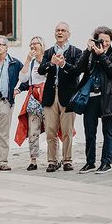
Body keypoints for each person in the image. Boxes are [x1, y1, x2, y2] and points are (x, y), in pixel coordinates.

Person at [75, 26, 112, 174]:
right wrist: (88, 51)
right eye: (102, 40)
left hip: (107, 97)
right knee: (90, 131)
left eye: (107, 40)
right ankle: (90, 162)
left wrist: (102, 55)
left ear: (111, 40)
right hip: (90, 98)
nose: (105, 43)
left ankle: (106, 162)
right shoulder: (90, 54)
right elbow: (79, 68)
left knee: (107, 131)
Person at [38, 22, 82, 172]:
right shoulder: (49, 51)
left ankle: (67, 160)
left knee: (67, 130)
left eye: (63, 30)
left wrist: (63, 64)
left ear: (69, 34)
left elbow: (77, 71)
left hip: (68, 95)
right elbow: (40, 70)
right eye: (57, 30)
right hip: (51, 95)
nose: (60, 32)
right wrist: (51, 63)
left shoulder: (76, 52)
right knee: (50, 130)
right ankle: (52, 160)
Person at [0, 35, 23, 171]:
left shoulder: (15, 63)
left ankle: (2, 161)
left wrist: (20, 88)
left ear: (6, 47)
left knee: (4, 134)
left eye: (0, 45)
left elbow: (25, 76)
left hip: (6, 102)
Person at [14, 36, 47, 170]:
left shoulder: (48, 60)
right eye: (31, 44)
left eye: (36, 43)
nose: (33, 46)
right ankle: (33, 160)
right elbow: (23, 78)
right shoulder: (32, 63)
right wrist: (27, 60)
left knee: (52, 130)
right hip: (34, 100)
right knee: (33, 131)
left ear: (42, 45)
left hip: (47, 99)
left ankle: (54, 158)